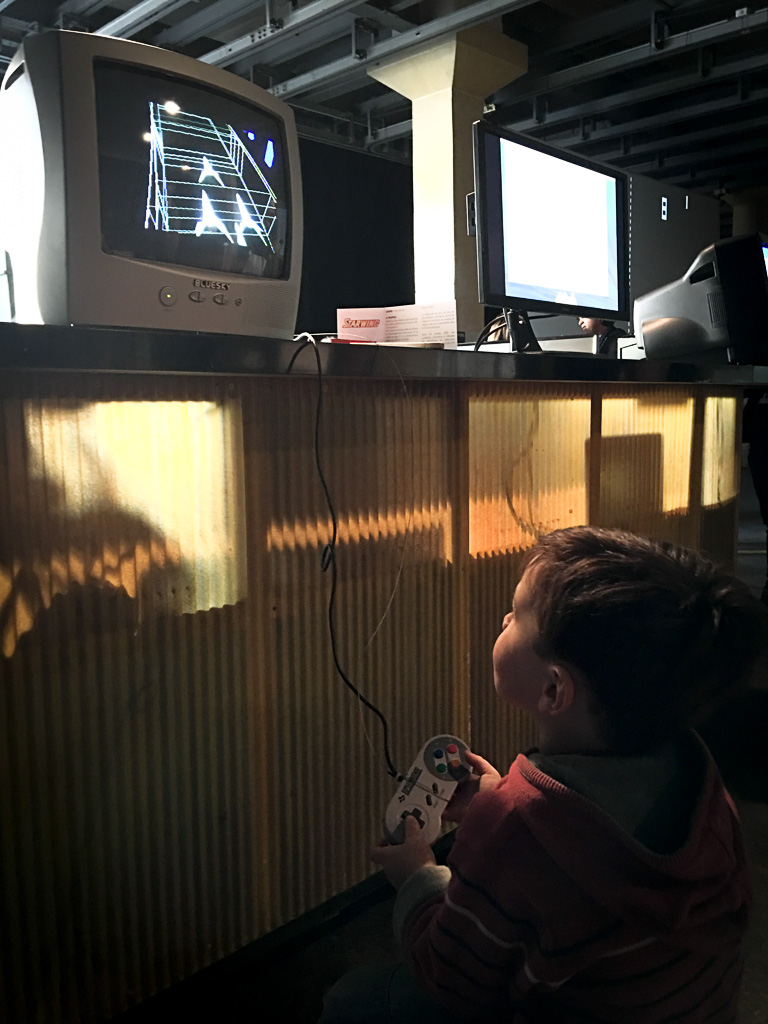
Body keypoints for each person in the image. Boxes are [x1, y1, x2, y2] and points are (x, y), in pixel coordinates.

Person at [319, 526, 768, 1024]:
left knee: (353, 999)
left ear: (554, 690)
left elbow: (451, 977)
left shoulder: (512, 832)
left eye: (517, 615)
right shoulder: (698, 773)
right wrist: (506, 802)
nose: (504, 619)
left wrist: (417, 878)